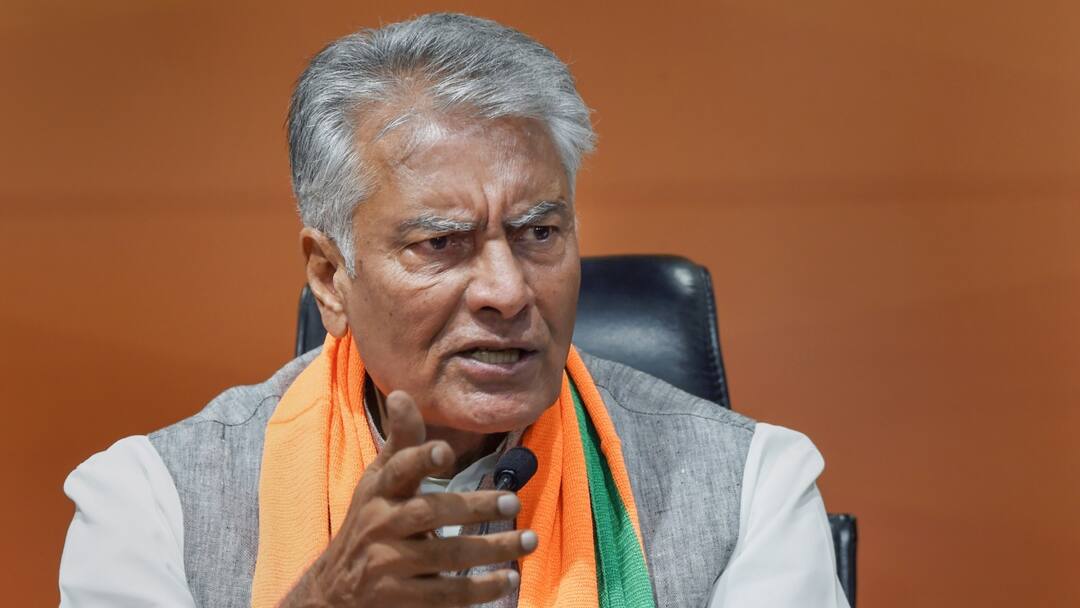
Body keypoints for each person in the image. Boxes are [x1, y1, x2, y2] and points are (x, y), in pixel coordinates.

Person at [59, 13, 849, 608]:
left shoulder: (750, 487)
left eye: (539, 233)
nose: (508, 290)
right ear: (331, 278)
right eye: (441, 244)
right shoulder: (150, 503)